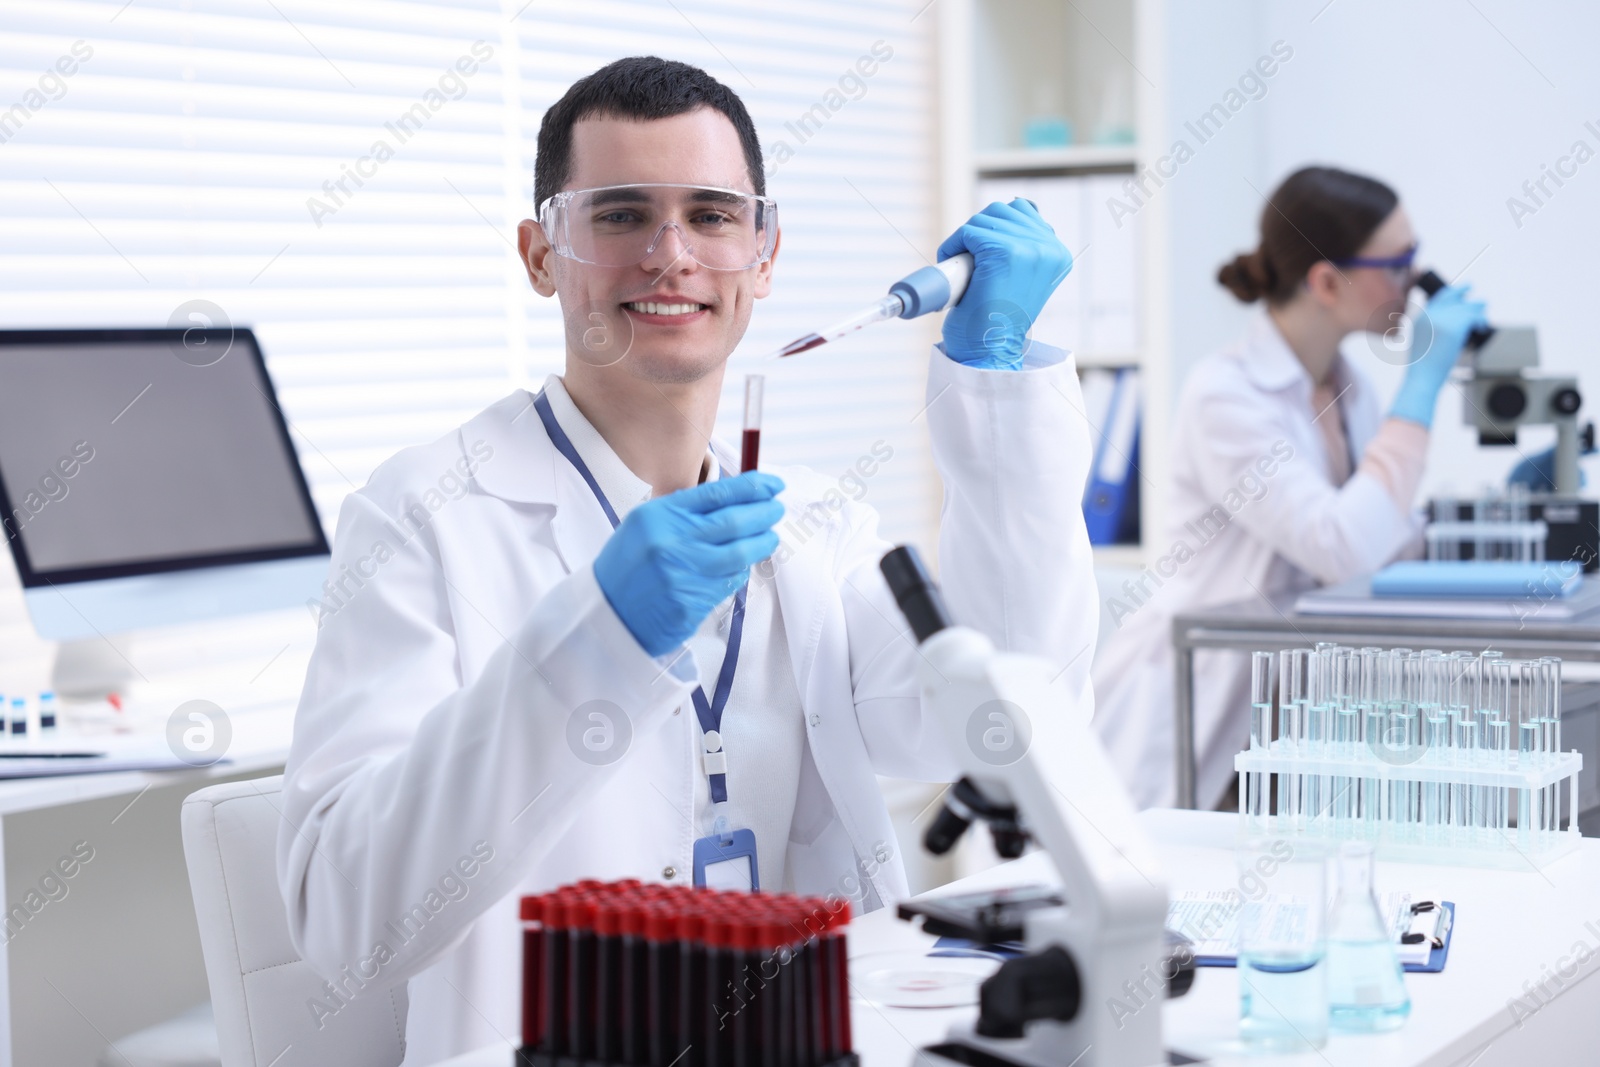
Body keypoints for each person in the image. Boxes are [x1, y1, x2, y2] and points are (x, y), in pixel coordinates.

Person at [276, 56, 1094, 1061]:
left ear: (764, 254)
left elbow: (1001, 731)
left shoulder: (813, 527)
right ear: (541, 254)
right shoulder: (428, 512)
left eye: (712, 215)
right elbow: (347, 920)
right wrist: (593, 641)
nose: (671, 255)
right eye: (619, 215)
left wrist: (996, 386)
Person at [1092, 165, 1488, 811]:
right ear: (1327, 281)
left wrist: (1484, 526)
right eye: (1399, 262)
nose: (1414, 283)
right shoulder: (1226, 395)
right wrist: (1420, 390)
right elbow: (1340, 546)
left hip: (1295, 712)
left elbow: (1376, 539)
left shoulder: (1346, 383)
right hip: (1207, 712)